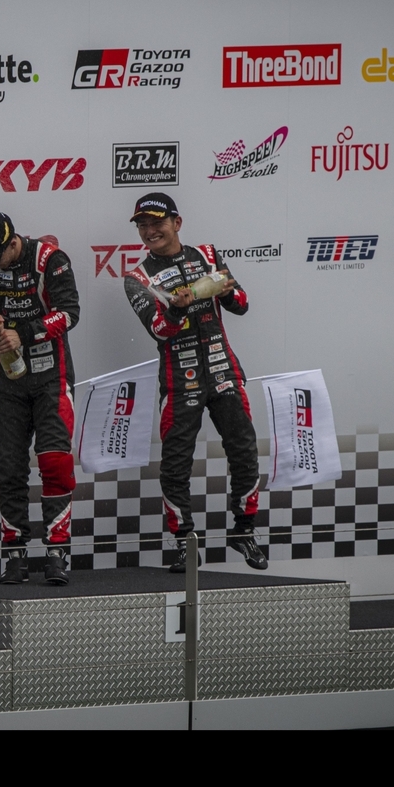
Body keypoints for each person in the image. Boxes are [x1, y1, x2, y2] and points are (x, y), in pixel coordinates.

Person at [122, 193, 266, 573]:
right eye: (143, 225)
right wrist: (176, 309)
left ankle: (244, 530)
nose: (150, 231)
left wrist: (226, 290)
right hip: (178, 379)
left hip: (223, 369)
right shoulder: (138, 279)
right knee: (175, 465)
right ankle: (185, 542)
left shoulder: (207, 255)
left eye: (157, 222)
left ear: (177, 223)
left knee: (244, 450)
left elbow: (242, 304)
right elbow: (159, 330)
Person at [0, 212, 80, 585]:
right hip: (9, 377)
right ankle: (14, 554)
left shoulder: (49, 259)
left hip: (52, 375)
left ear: (13, 243)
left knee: (55, 460)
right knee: (10, 467)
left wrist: (25, 333)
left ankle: (57, 552)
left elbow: (69, 313)